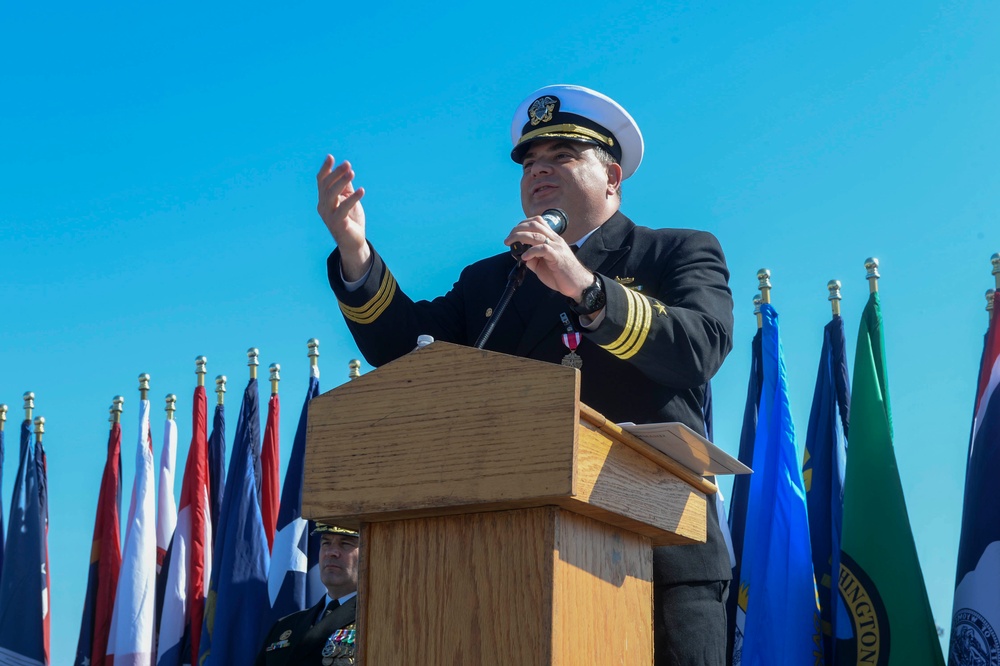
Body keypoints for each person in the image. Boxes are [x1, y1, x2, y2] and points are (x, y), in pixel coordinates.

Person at [317, 84, 734, 666]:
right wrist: (356, 252)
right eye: (530, 163)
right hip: (512, 562)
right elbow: (408, 348)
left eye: (562, 156)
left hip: (662, 555)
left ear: (612, 176)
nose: (540, 171)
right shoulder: (492, 279)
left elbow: (701, 345)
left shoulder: (674, 252)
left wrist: (588, 291)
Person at [254, 524, 359, 666]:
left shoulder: (377, 622)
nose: (331, 552)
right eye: (326, 543)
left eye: (345, 544)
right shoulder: (284, 627)